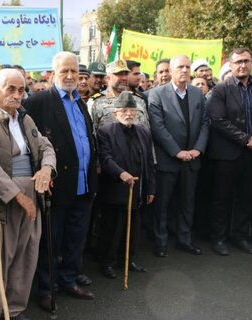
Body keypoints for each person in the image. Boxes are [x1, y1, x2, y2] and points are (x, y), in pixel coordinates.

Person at [0, 68, 56, 320]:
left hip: (32, 192)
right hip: (4, 198)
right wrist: (17, 196)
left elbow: (45, 145)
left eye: (21, 90)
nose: (17, 95)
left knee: (27, 253)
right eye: (10, 89)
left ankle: (14, 309)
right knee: (0, 255)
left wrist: (47, 168)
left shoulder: (25, 119)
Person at [24, 51, 98, 310]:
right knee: (51, 240)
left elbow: (87, 139)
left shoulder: (80, 102)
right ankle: (47, 288)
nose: (69, 76)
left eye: (74, 71)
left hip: (83, 185)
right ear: (53, 73)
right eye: (64, 71)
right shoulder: (39, 101)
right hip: (56, 185)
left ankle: (69, 279)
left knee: (76, 238)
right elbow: (30, 143)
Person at [148, 54, 209, 257]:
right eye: (180, 67)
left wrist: (197, 149)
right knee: (163, 204)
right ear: (172, 70)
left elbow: (204, 123)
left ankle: (184, 239)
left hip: (192, 159)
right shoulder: (157, 94)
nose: (184, 70)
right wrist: (177, 151)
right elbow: (158, 127)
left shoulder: (197, 94)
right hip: (168, 159)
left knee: (187, 202)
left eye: (187, 67)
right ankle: (160, 241)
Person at [97, 91, 155, 279]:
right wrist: (121, 174)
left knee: (133, 229)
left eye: (132, 110)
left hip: (137, 190)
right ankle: (107, 262)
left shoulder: (144, 132)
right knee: (112, 228)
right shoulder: (105, 132)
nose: (128, 114)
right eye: (124, 110)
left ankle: (129, 260)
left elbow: (149, 162)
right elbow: (105, 159)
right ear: (115, 113)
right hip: (115, 189)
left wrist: (150, 188)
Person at [207, 47, 252, 256]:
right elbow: (218, 121)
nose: (243, 65)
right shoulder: (221, 89)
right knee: (222, 198)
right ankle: (219, 238)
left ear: (251, 62)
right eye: (238, 62)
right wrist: (247, 139)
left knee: (247, 197)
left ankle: (240, 236)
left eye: (246, 61)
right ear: (231, 64)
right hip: (228, 154)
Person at [90, 60, 149, 130]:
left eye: (126, 74)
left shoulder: (139, 100)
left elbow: (147, 131)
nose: (124, 78)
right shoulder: (95, 102)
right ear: (107, 78)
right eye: (119, 74)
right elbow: (92, 133)